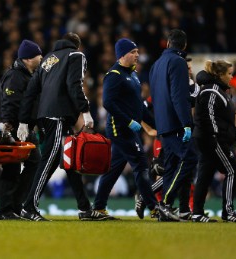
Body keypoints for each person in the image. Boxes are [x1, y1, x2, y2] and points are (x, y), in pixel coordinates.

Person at [17, 32, 107, 221]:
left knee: (70, 161)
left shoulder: (48, 59)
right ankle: (28, 207)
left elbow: (31, 91)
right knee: (48, 160)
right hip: (57, 115)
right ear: (77, 45)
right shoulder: (76, 55)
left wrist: (24, 120)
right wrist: (85, 111)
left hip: (46, 115)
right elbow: (74, 85)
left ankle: (84, 208)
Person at [93, 38, 158, 220]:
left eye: (137, 51)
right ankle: (154, 208)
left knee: (114, 169)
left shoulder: (133, 75)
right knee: (141, 165)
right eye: (133, 52)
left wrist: (157, 125)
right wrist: (129, 121)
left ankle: (98, 207)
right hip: (119, 129)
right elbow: (108, 102)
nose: (137, 55)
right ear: (122, 55)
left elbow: (141, 107)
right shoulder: (114, 75)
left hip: (130, 129)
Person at [149, 29, 198, 221]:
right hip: (176, 123)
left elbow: (156, 96)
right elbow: (179, 96)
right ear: (184, 46)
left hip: (162, 124)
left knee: (170, 166)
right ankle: (165, 203)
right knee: (190, 159)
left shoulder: (156, 65)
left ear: (168, 43)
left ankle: (166, 212)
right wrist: (186, 123)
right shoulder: (178, 62)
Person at [192, 60, 236, 223]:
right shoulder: (212, 91)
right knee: (232, 170)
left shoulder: (219, 90)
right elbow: (208, 118)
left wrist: (235, 133)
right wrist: (215, 138)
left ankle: (197, 213)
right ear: (220, 75)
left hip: (210, 138)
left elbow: (226, 118)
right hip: (212, 139)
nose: (231, 77)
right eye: (229, 74)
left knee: (205, 174)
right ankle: (228, 211)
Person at [0, 39, 42, 220]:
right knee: (12, 169)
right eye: (39, 56)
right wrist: (9, 128)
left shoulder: (28, 75)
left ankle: (13, 206)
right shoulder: (15, 76)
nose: (41, 58)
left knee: (31, 165)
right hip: (16, 128)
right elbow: (9, 103)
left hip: (26, 127)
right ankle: (8, 209)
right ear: (28, 59)